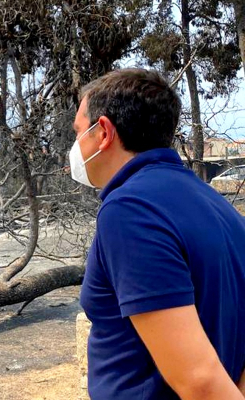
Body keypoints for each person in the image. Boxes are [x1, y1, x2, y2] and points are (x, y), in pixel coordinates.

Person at [72, 68, 245, 399]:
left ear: (103, 132)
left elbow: (199, 379)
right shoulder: (215, 203)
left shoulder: (130, 210)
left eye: (79, 132)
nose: (76, 147)